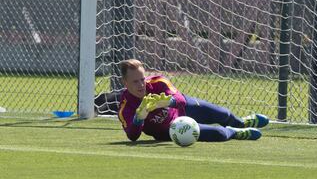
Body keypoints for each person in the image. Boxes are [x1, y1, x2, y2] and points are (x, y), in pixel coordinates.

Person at [112, 59, 269, 142]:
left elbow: (180, 99)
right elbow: (132, 136)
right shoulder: (125, 107)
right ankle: (235, 132)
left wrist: (169, 102)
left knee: (223, 114)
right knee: (220, 134)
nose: (141, 85)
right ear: (125, 82)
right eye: (135, 82)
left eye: (142, 79)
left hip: (184, 108)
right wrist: (139, 118)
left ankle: (241, 123)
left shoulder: (158, 81)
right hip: (171, 129)